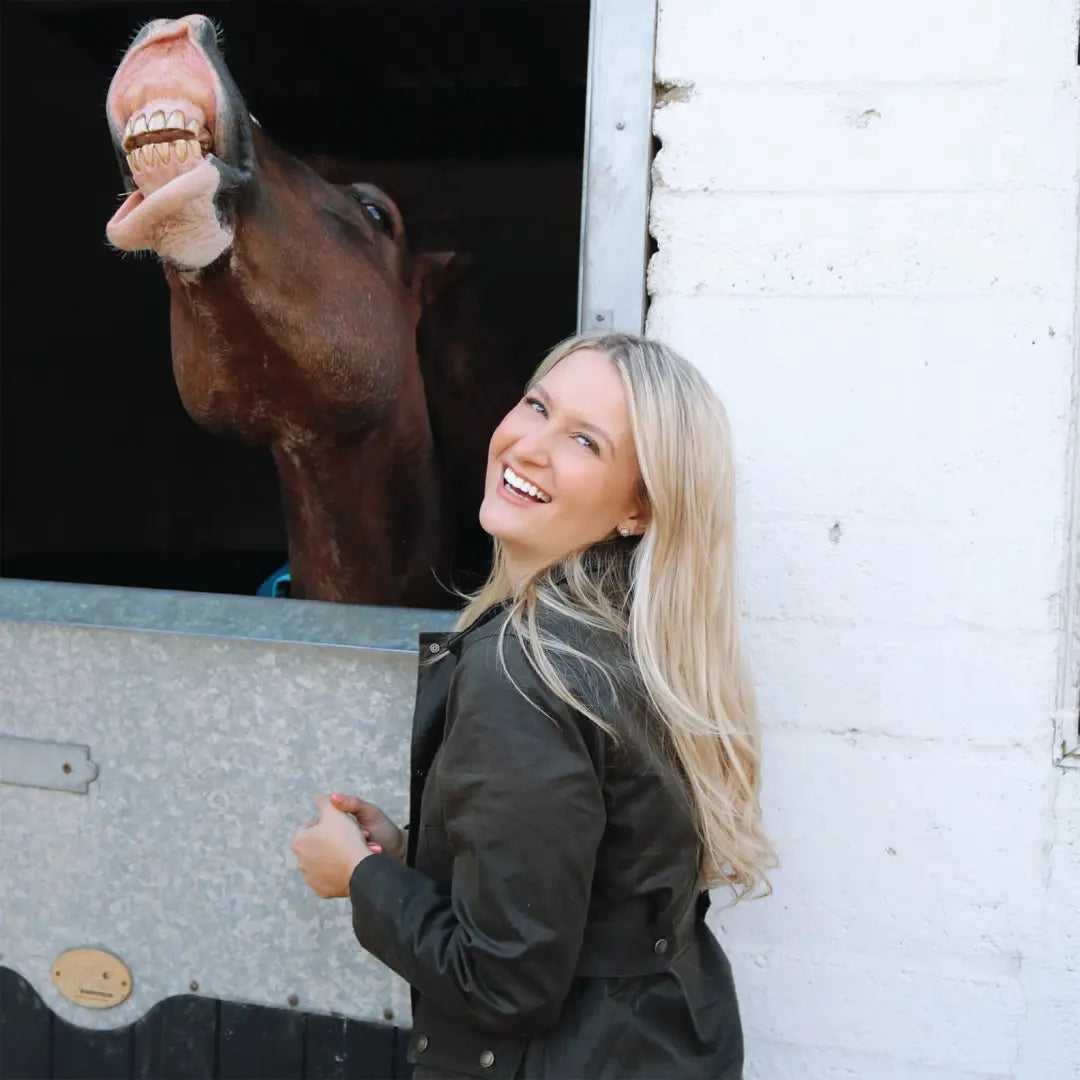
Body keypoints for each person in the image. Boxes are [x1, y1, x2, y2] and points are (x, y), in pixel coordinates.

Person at [291, 332, 775, 1079]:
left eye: (585, 440)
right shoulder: (633, 645)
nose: (529, 447)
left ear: (639, 508)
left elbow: (504, 982)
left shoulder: (525, 669)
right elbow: (590, 871)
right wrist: (423, 849)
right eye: (536, 406)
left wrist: (358, 878)